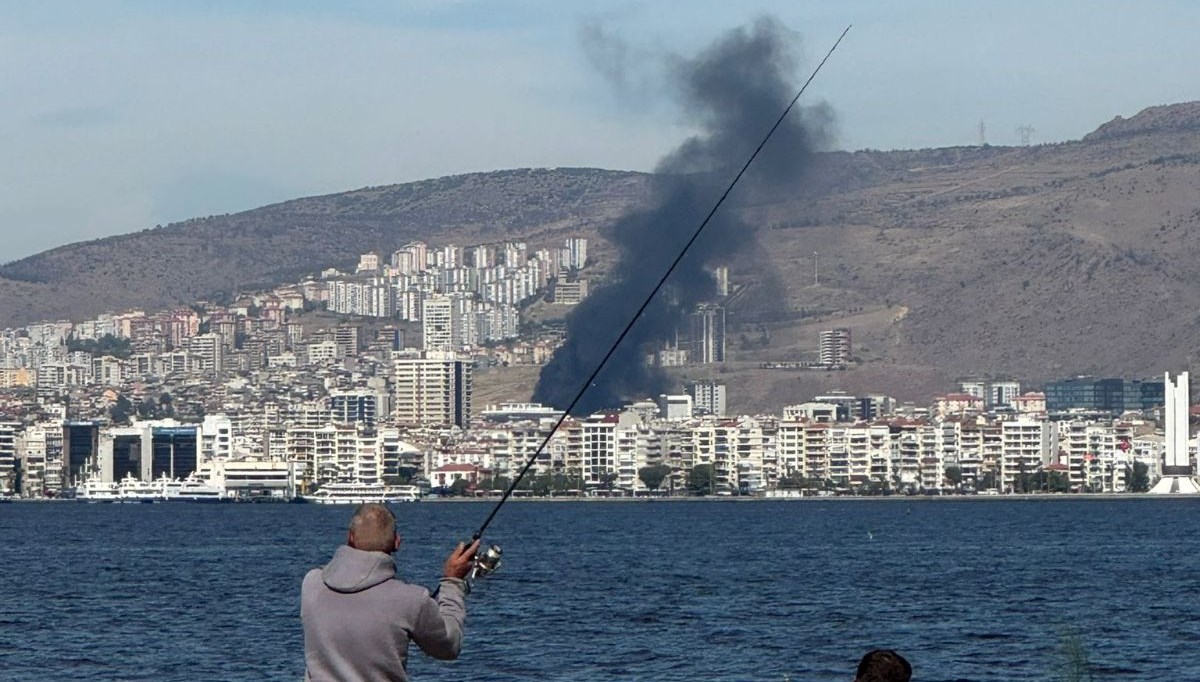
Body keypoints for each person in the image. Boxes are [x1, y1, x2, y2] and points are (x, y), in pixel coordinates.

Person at [301, 503, 480, 682]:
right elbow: (448, 646)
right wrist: (452, 583)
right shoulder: (411, 600)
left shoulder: (312, 583)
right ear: (397, 542)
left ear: (350, 537)